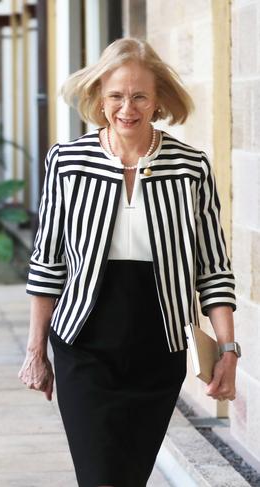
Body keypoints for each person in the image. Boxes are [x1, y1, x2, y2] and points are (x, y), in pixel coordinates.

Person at [18, 38, 238, 487]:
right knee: (100, 477)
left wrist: (228, 349)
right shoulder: (67, 162)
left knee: (129, 478)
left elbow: (213, 268)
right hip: (84, 345)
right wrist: (36, 350)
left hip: (158, 349)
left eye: (140, 96)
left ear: (158, 101)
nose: (127, 108)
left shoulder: (190, 168)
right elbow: (48, 263)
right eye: (116, 95)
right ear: (100, 98)